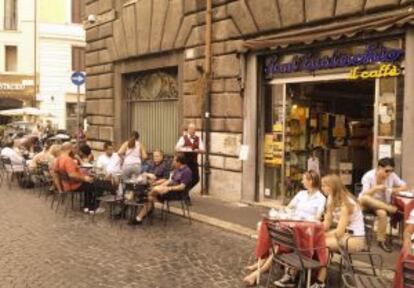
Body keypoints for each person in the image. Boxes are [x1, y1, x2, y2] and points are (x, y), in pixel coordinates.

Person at [243, 171, 326, 287]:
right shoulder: (301, 194)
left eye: (304, 179)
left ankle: (259, 270)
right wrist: (289, 213)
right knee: (266, 230)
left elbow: (318, 217)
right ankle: (261, 263)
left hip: (305, 232)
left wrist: (302, 217)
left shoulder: (321, 198)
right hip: (292, 227)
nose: (302, 181)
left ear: (311, 181)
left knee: (279, 246)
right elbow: (289, 207)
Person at [309, 174, 365, 288]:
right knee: (314, 240)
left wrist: (320, 235)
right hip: (343, 235)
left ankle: (320, 281)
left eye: (325, 186)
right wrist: (314, 229)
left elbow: (339, 232)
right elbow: (327, 223)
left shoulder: (346, 203)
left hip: (354, 239)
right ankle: (315, 276)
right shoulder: (330, 198)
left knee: (321, 243)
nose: (322, 188)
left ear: (333, 187)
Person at [359, 157, 408, 252]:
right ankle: (393, 210)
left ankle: (381, 241)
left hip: (381, 205)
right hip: (367, 202)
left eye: (391, 171)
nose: (388, 173)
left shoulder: (392, 176)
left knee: (382, 213)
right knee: (364, 198)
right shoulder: (368, 176)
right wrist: (376, 188)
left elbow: (404, 186)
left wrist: (394, 190)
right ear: (379, 168)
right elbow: (365, 194)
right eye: (386, 171)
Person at [133, 153, 192, 224]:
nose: (173, 162)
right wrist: (162, 185)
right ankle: (138, 218)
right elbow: (170, 181)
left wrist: (168, 189)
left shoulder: (187, 171)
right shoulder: (177, 169)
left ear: (179, 162)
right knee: (151, 194)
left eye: (174, 161)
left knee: (152, 193)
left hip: (177, 193)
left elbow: (182, 187)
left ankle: (145, 197)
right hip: (167, 190)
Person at [53, 142, 103, 214]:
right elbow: (72, 175)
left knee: (89, 185)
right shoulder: (68, 160)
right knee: (98, 185)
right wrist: (84, 178)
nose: (74, 150)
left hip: (67, 185)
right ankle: (93, 208)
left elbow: (55, 174)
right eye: (73, 148)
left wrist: (60, 189)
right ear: (69, 149)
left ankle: (87, 207)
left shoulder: (58, 159)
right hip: (74, 185)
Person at [175, 123, 205, 203]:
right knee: (187, 179)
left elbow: (203, 150)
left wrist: (197, 150)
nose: (192, 131)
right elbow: (177, 148)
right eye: (191, 129)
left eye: (194, 129)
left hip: (194, 162)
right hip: (185, 163)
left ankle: (185, 191)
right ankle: (186, 196)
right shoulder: (183, 138)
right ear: (188, 129)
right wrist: (185, 148)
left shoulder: (198, 139)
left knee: (196, 179)